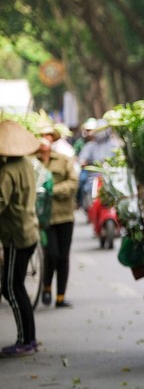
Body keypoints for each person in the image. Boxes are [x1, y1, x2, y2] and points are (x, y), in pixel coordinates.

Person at [0, 120, 41, 357]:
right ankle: (29, 338)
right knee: (14, 287)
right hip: (28, 230)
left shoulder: (7, 171)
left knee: (12, 288)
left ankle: (26, 340)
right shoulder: (26, 163)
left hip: (17, 235)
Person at [37, 128, 79, 308]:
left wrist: (53, 190)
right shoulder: (31, 162)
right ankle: (46, 286)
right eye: (41, 135)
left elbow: (73, 182)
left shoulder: (63, 160)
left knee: (63, 256)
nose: (44, 139)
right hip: (44, 218)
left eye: (47, 136)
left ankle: (61, 296)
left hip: (64, 215)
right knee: (51, 254)